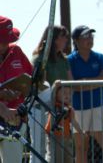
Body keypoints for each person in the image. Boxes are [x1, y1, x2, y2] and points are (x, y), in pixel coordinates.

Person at [68, 25, 103, 163]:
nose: (90, 39)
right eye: (85, 36)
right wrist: (96, 80)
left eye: (91, 36)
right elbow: (74, 86)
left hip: (99, 107)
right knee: (81, 149)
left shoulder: (101, 58)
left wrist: (83, 82)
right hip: (78, 110)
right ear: (76, 40)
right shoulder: (69, 60)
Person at [30, 25, 72, 163]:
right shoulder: (40, 59)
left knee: (57, 149)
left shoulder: (64, 60)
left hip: (59, 111)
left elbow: (70, 82)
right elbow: (37, 85)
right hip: (40, 108)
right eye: (63, 36)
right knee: (38, 148)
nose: (66, 39)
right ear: (53, 39)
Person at [0, 15, 32, 162]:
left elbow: (34, 81)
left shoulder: (16, 52)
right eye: (3, 40)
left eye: (9, 40)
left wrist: (22, 91)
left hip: (15, 121)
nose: (6, 44)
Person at [45, 84, 83, 163]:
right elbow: (52, 94)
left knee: (68, 159)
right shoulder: (54, 105)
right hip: (55, 138)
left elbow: (73, 121)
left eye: (69, 93)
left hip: (66, 138)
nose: (67, 95)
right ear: (57, 95)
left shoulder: (69, 109)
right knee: (56, 159)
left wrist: (80, 131)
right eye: (64, 93)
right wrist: (55, 86)